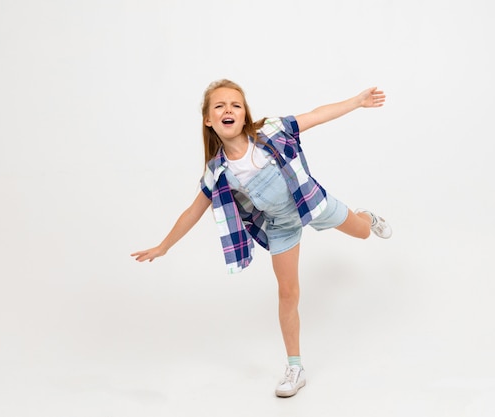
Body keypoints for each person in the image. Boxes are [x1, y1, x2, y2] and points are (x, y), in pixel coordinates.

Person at [131, 79, 392, 397]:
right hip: (281, 225)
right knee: (287, 294)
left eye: (235, 105)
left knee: (363, 233)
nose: (228, 109)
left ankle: (370, 217)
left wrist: (356, 101)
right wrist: (163, 246)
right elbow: (192, 212)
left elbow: (316, 114)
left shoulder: (270, 130)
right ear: (208, 120)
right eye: (220, 106)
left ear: (244, 115)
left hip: (310, 201)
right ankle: (295, 367)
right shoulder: (217, 171)